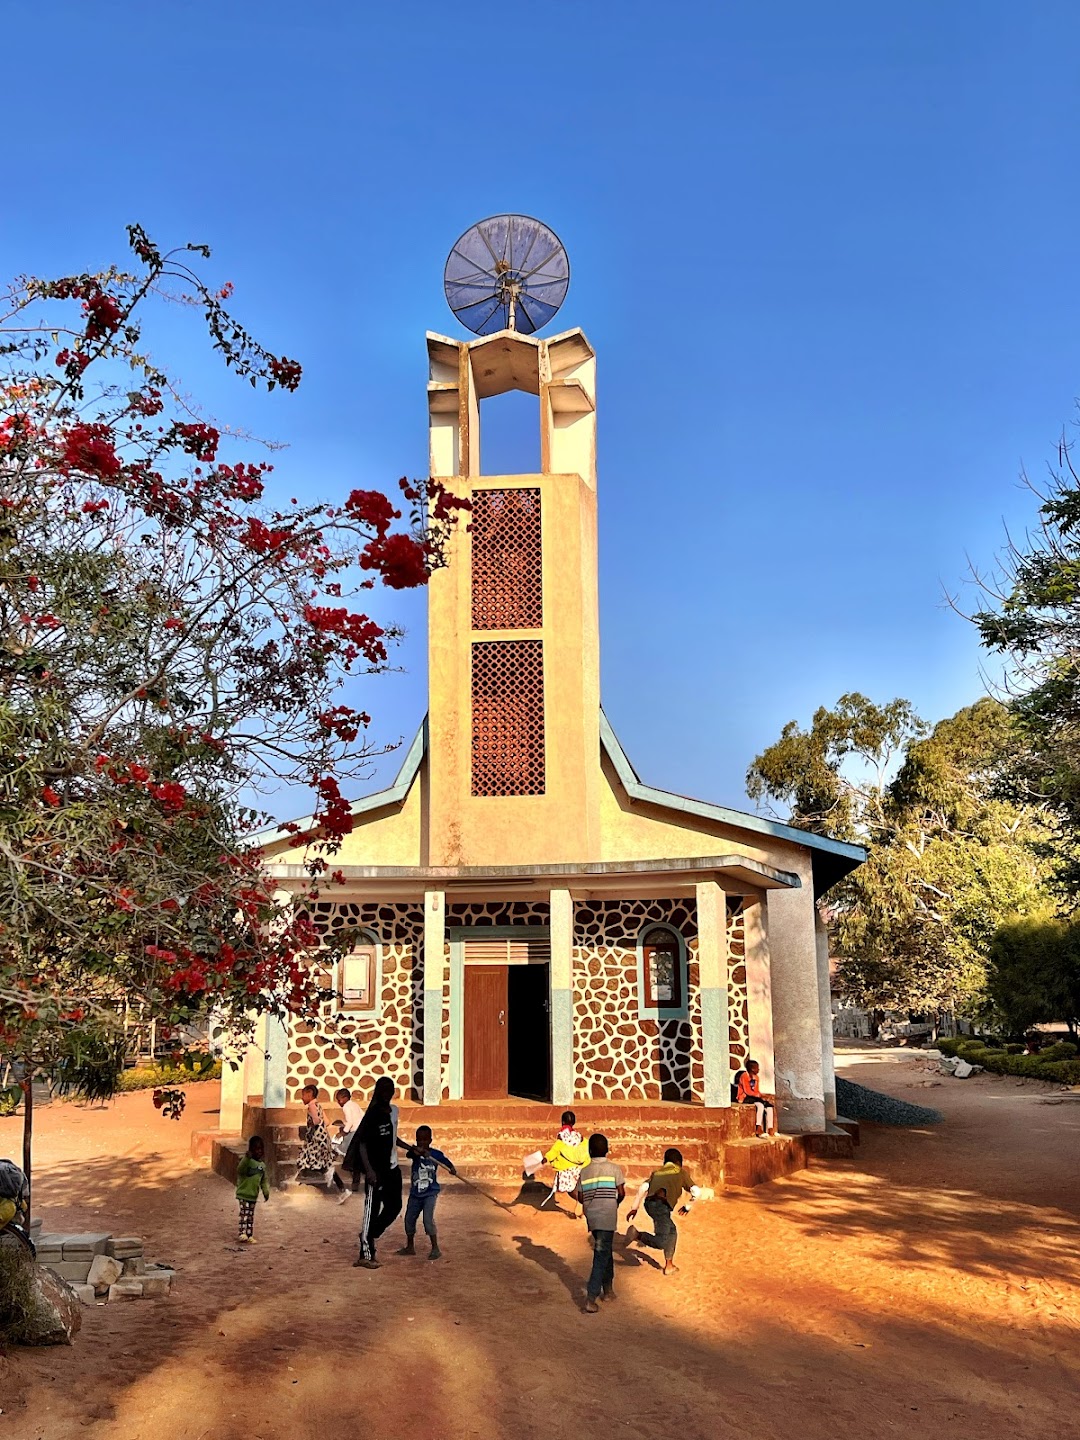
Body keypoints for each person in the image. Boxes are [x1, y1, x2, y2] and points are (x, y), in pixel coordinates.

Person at [346, 1077, 402, 1269]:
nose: (388, 1093)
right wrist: (369, 1170)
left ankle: (369, 1234)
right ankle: (366, 1254)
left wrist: (411, 1148)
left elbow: (393, 1135)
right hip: (376, 1171)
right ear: (378, 1092)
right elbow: (362, 1143)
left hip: (392, 1168)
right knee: (372, 1210)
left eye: (390, 1089)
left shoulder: (394, 1111)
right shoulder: (373, 1115)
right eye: (384, 1090)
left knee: (395, 1206)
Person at [625, 1147, 697, 1276]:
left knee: (672, 1231)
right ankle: (638, 1235)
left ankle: (669, 1265)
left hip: (650, 1204)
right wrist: (688, 1206)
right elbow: (697, 1191)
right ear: (679, 1162)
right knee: (663, 1241)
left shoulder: (657, 1173)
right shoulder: (680, 1172)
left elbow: (642, 1188)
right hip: (661, 1206)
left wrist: (634, 1208)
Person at [575, 1133, 625, 1313]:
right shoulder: (614, 1169)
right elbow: (621, 1192)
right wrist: (614, 1204)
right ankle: (591, 1296)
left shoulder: (585, 1171)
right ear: (607, 1150)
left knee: (605, 1252)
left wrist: (591, 1205)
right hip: (607, 1216)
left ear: (589, 1152)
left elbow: (579, 1196)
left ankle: (608, 1290)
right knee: (601, 1256)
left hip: (593, 1217)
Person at [396, 1125, 456, 1261]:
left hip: (430, 1193)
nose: (422, 1143)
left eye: (425, 1140)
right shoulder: (414, 1154)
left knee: (428, 1220)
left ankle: (435, 1248)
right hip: (415, 1194)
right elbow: (409, 1153)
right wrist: (417, 1151)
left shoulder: (436, 1154)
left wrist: (452, 1168)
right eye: (419, 1140)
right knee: (409, 1219)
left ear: (430, 1140)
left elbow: (446, 1162)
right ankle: (410, 1246)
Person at [296, 1083, 345, 1192]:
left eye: (303, 1095)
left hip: (316, 1141)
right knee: (324, 1163)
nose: (302, 1098)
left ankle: (308, 1178)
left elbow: (317, 1121)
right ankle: (342, 1189)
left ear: (309, 1095)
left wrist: (312, 1123)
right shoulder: (318, 1105)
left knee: (305, 1159)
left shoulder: (311, 1106)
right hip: (324, 1139)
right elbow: (326, 1122)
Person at [544, 1111, 587, 1217]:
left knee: (570, 1190)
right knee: (576, 1187)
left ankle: (584, 1201)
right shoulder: (578, 1135)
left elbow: (556, 1149)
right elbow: (584, 1144)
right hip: (578, 1167)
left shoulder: (562, 1136)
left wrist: (546, 1158)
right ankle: (583, 1203)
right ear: (574, 1122)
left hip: (566, 1168)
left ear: (562, 1122)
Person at [235, 1136, 271, 1243]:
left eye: (261, 1149)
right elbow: (240, 1170)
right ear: (251, 1150)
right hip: (243, 1194)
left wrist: (266, 1192)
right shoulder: (247, 1162)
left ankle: (249, 1234)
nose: (259, 1151)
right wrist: (246, 1158)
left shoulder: (262, 1166)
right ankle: (242, 1233)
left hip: (253, 1196)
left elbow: (263, 1181)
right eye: (256, 1149)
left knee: (250, 1216)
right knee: (244, 1214)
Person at [332, 1087, 364, 1205]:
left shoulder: (346, 1107)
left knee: (344, 1151)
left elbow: (350, 1122)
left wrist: (343, 1132)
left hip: (354, 1133)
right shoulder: (355, 1105)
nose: (338, 1102)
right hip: (362, 1131)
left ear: (345, 1098)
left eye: (339, 1099)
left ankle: (351, 1173)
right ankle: (355, 1181)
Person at [736, 1058, 777, 1137]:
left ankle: (770, 1128)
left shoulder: (756, 1077)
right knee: (760, 1105)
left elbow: (756, 1090)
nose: (758, 1069)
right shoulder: (744, 1076)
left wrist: (759, 1095)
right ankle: (758, 1127)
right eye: (756, 1068)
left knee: (769, 1107)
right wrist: (758, 1095)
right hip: (745, 1097)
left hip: (753, 1096)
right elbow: (747, 1091)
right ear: (751, 1069)